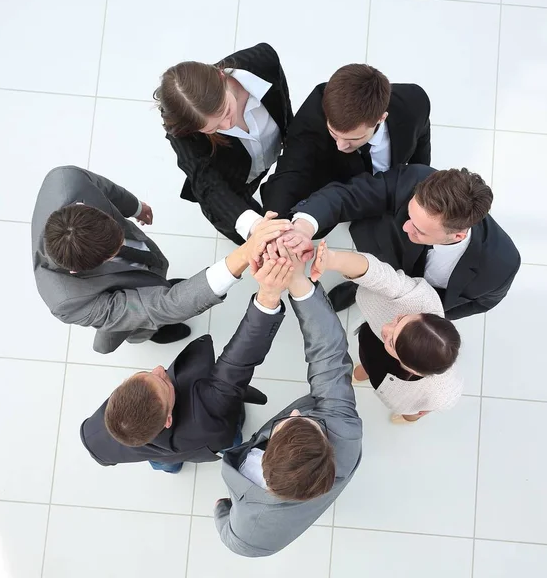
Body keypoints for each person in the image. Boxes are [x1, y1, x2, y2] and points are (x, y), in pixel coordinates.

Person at [32, 166, 290, 354]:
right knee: (145, 322)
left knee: (158, 272)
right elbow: (160, 307)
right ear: (78, 272)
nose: (123, 243)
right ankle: (152, 333)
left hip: (139, 273)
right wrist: (245, 254)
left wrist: (134, 208)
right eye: (114, 252)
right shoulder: (68, 301)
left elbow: (102, 187)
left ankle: (161, 283)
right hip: (124, 308)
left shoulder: (65, 180)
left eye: (118, 235)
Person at [214, 240, 362, 557]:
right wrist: (297, 281)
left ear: (265, 461)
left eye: (287, 425)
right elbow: (329, 355)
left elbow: (233, 540)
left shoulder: (251, 537)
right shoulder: (344, 432)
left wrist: (221, 512)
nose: (295, 412)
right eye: (307, 422)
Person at [80, 256, 295, 473]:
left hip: (153, 448)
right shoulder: (208, 411)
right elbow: (240, 358)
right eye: (164, 382)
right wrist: (268, 295)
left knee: (162, 460)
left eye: (146, 374)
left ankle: (169, 467)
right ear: (168, 420)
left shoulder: (93, 436)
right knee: (233, 435)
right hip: (208, 439)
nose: (160, 369)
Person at [284, 165, 521, 320]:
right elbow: (347, 195)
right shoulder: (414, 179)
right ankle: (361, 285)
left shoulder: (501, 265)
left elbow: (482, 303)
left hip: (424, 299)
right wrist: (303, 227)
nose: (405, 227)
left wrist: (429, 314)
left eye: (419, 230)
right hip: (384, 253)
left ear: (457, 236)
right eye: (409, 214)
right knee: (373, 277)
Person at [154, 42, 293, 244]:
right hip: (229, 183)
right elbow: (207, 183)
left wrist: (291, 137)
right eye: (213, 128)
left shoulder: (262, 59)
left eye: (226, 111)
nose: (228, 125)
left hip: (272, 149)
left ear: (221, 76)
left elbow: (282, 96)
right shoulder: (183, 132)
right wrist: (254, 226)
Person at [312, 240, 462, 422]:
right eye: (400, 319)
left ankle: (409, 418)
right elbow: (379, 275)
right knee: (368, 359)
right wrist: (333, 260)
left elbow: (435, 405)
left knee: (411, 412)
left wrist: (415, 413)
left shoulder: (442, 393)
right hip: (373, 348)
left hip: (395, 379)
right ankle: (365, 370)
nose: (385, 327)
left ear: (414, 370)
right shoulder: (418, 299)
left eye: (391, 341)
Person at [261, 63, 430, 220]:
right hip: (339, 187)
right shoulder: (313, 113)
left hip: (390, 188)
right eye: (334, 134)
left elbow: (421, 138)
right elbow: (292, 167)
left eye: (354, 139)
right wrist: (274, 220)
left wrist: (421, 185)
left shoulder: (414, 103)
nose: (340, 145)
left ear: (381, 118)